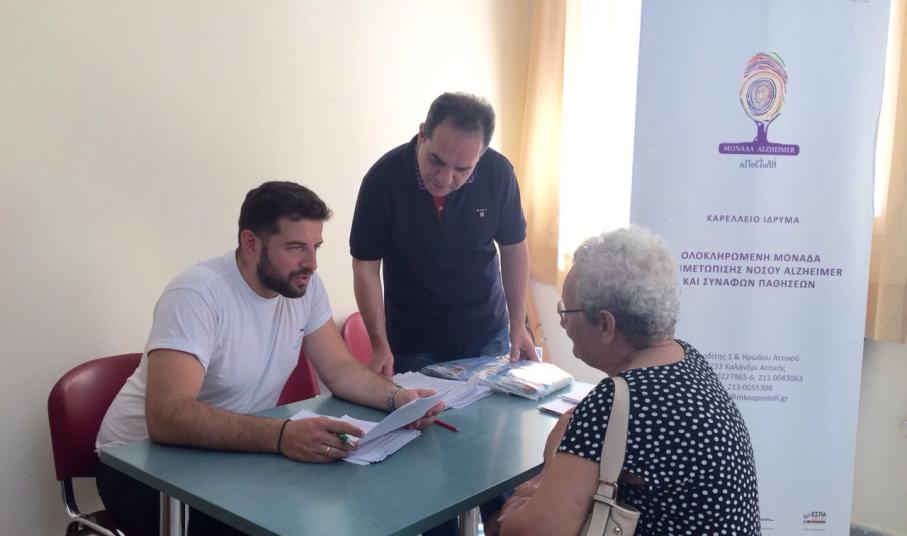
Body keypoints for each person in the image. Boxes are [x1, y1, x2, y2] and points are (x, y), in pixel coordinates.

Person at [95, 181, 442, 536]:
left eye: (316, 247)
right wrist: (281, 436)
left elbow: (339, 370)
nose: (311, 264)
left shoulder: (304, 287)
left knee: (353, 505)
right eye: (295, 247)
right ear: (251, 243)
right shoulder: (196, 295)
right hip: (141, 469)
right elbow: (167, 416)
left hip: (229, 457)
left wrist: (397, 398)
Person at [494, 227, 761, 536]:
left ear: (605, 325)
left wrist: (548, 467)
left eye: (566, 311)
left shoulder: (616, 402)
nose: (563, 324)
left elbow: (528, 532)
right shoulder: (688, 359)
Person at [349, 92, 536, 380]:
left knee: (491, 409)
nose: (445, 178)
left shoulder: (498, 173)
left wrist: (518, 323)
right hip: (414, 341)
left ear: (481, 154)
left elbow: (513, 247)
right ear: (423, 133)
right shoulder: (383, 179)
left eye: (462, 169)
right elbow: (366, 266)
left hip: (487, 333)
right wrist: (379, 344)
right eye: (436, 160)